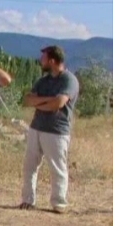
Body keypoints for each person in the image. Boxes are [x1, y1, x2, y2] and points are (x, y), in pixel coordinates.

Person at [19, 45, 79, 213]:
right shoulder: (42, 80)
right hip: (36, 127)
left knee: (57, 167)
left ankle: (58, 203)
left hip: (57, 131)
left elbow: (59, 103)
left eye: (44, 57)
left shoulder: (69, 80)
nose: (41, 60)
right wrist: (48, 102)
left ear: (52, 60)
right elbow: (29, 100)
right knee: (30, 165)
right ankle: (27, 200)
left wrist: (42, 103)